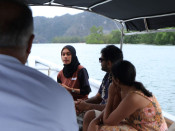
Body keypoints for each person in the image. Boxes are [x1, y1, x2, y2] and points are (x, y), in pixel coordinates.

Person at [0, 0, 78, 130]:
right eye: (63, 54)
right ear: (30, 44)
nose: (65, 57)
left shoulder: (80, 72)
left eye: (68, 54)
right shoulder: (59, 97)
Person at [87, 60, 168, 131]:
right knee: (96, 123)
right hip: (139, 127)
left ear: (117, 80)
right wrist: (95, 121)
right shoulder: (125, 90)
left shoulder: (133, 97)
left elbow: (108, 122)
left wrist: (111, 95)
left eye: (112, 77)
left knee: (104, 129)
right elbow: (112, 112)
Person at [75, 45, 123, 130]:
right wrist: (81, 104)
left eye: (101, 60)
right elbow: (98, 98)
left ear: (109, 63)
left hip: (111, 113)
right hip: (102, 110)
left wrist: (87, 106)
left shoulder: (120, 81)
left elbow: (113, 108)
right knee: (72, 110)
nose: (100, 62)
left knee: (90, 114)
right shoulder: (108, 76)